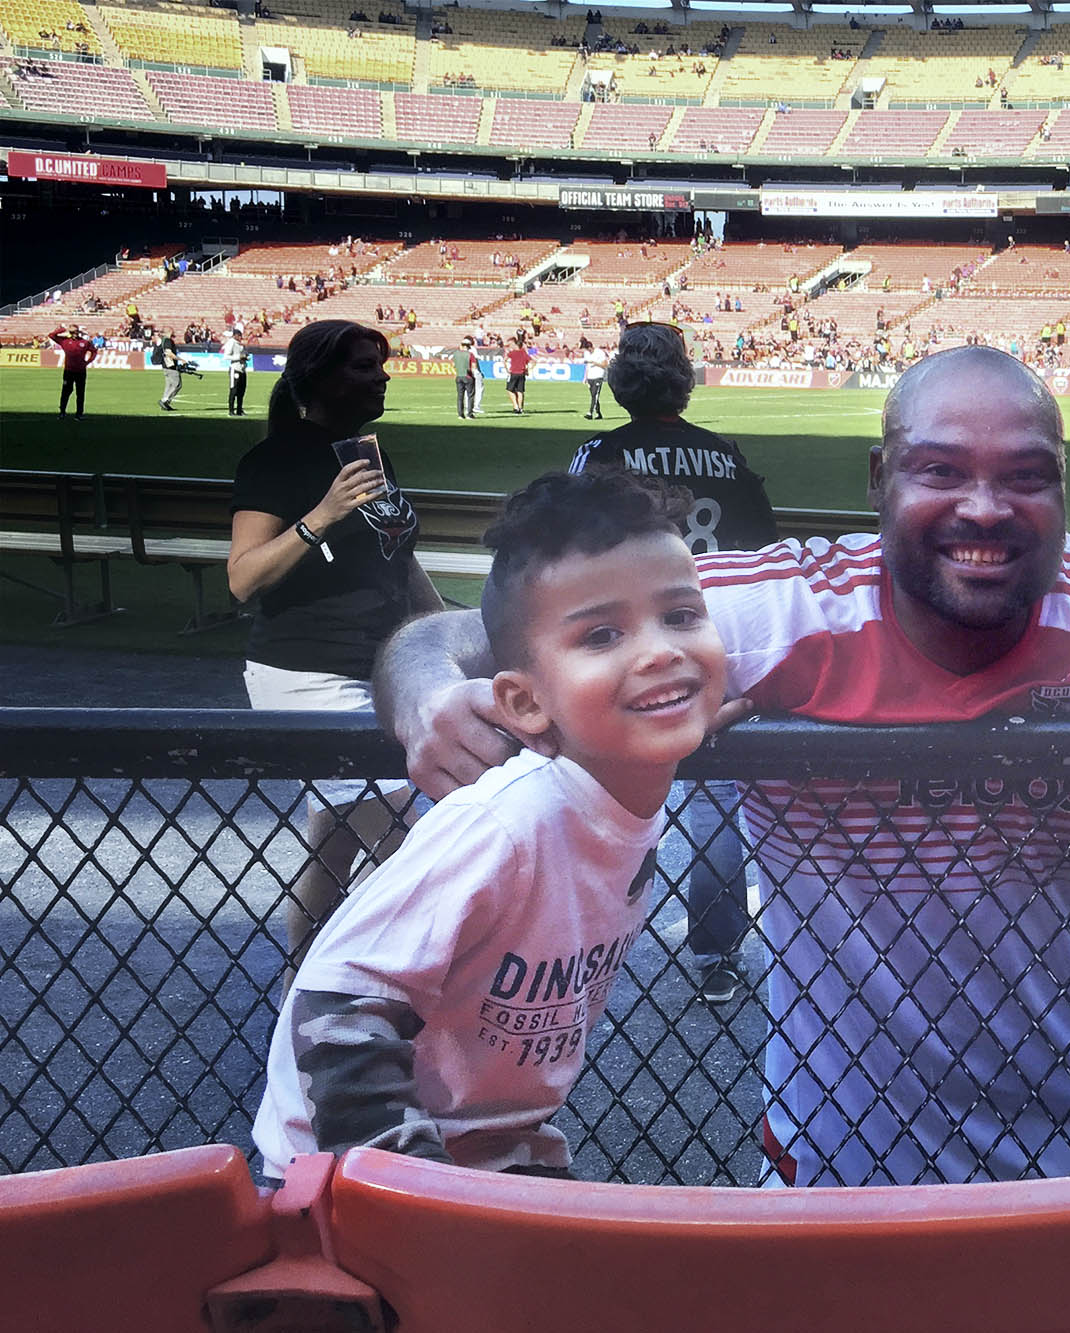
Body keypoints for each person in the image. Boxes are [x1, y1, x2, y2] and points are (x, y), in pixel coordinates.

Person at [374, 345, 1070, 1186]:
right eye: (941, 470)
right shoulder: (781, 609)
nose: (986, 508)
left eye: (1028, 476)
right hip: (834, 1152)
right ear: (879, 478)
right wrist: (424, 694)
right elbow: (460, 635)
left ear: (1063, 485)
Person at [253, 470, 725, 1179]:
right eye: (602, 634)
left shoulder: (623, 794)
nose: (660, 650)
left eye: (682, 616)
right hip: (348, 1174)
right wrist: (410, 1182)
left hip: (494, 1150)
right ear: (525, 703)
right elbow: (333, 999)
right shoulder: (510, 820)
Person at [569, 322, 778, 1005]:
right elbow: (766, 557)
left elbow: (558, 553)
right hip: (709, 644)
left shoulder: (597, 454)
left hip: (618, 648)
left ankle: (572, 945)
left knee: (597, 793)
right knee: (714, 801)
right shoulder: (725, 455)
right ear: (684, 378)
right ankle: (716, 955)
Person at [227, 320, 444, 965]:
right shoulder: (276, 461)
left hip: (376, 668)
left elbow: (397, 559)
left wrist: (441, 633)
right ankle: (370, 990)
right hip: (309, 675)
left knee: (337, 839)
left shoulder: (365, 453)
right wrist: (321, 515)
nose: (380, 375)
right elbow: (243, 579)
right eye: (361, 367)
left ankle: (306, 983)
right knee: (412, 842)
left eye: (381, 364)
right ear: (318, 377)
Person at [49, 323, 96, 418]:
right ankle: (62, 412)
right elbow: (51, 335)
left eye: (75, 332)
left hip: (81, 372)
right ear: (69, 333)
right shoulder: (65, 342)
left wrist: (87, 362)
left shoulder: (85, 342)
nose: (74, 334)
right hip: (69, 371)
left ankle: (79, 414)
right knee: (66, 392)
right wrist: (63, 329)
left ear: (78, 332)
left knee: (80, 393)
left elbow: (94, 351)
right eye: (72, 332)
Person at [223, 326, 251, 416]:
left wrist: (246, 357)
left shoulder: (240, 344)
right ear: (235, 335)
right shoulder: (231, 343)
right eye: (239, 336)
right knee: (233, 390)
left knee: (241, 391)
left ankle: (239, 410)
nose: (240, 337)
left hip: (242, 369)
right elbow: (226, 356)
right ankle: (231, 411)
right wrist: (238, 357)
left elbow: (243, 354)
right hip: (235, 369)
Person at [451, 336, 479, 419]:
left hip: (459, 376)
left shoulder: (456, 354)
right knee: (470, 396)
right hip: (468, 377)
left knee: (460, 396)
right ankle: (469, 414)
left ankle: (460, 414)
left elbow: (453, 365)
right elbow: (474, 367)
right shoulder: (470, 354)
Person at [581, 337, 609, 419]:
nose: (587, 351)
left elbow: (605, 365)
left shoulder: (600, 353)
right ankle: (598, 413)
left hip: (598, 376)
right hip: (590, 376)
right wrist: (585, 377)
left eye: (588, 349)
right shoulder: (586, 353)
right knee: (594, 396)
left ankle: (590, 413)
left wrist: (595, 363)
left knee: (595, 395)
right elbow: (587, 366)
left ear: (590, 347)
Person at [155, 330, 183, 411]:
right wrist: (181, 360)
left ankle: (164, 405)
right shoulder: (168, 341)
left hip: (165, 366)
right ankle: (165, 401)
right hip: (170, 366)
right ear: (169, 332)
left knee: (169, 386)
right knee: (177, 385)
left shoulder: (163, 340)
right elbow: (169, 353)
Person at [505, 336, 532, 414]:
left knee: (509, 390)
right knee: (520, 391)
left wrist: (507, 369)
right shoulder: (524, 353)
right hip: (522, 374)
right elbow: (533, 361)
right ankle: (521, 408)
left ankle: (515, 406)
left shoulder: (512, 353)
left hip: (513, 373)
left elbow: (505, 360)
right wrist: (527, 370)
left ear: (516, 345)